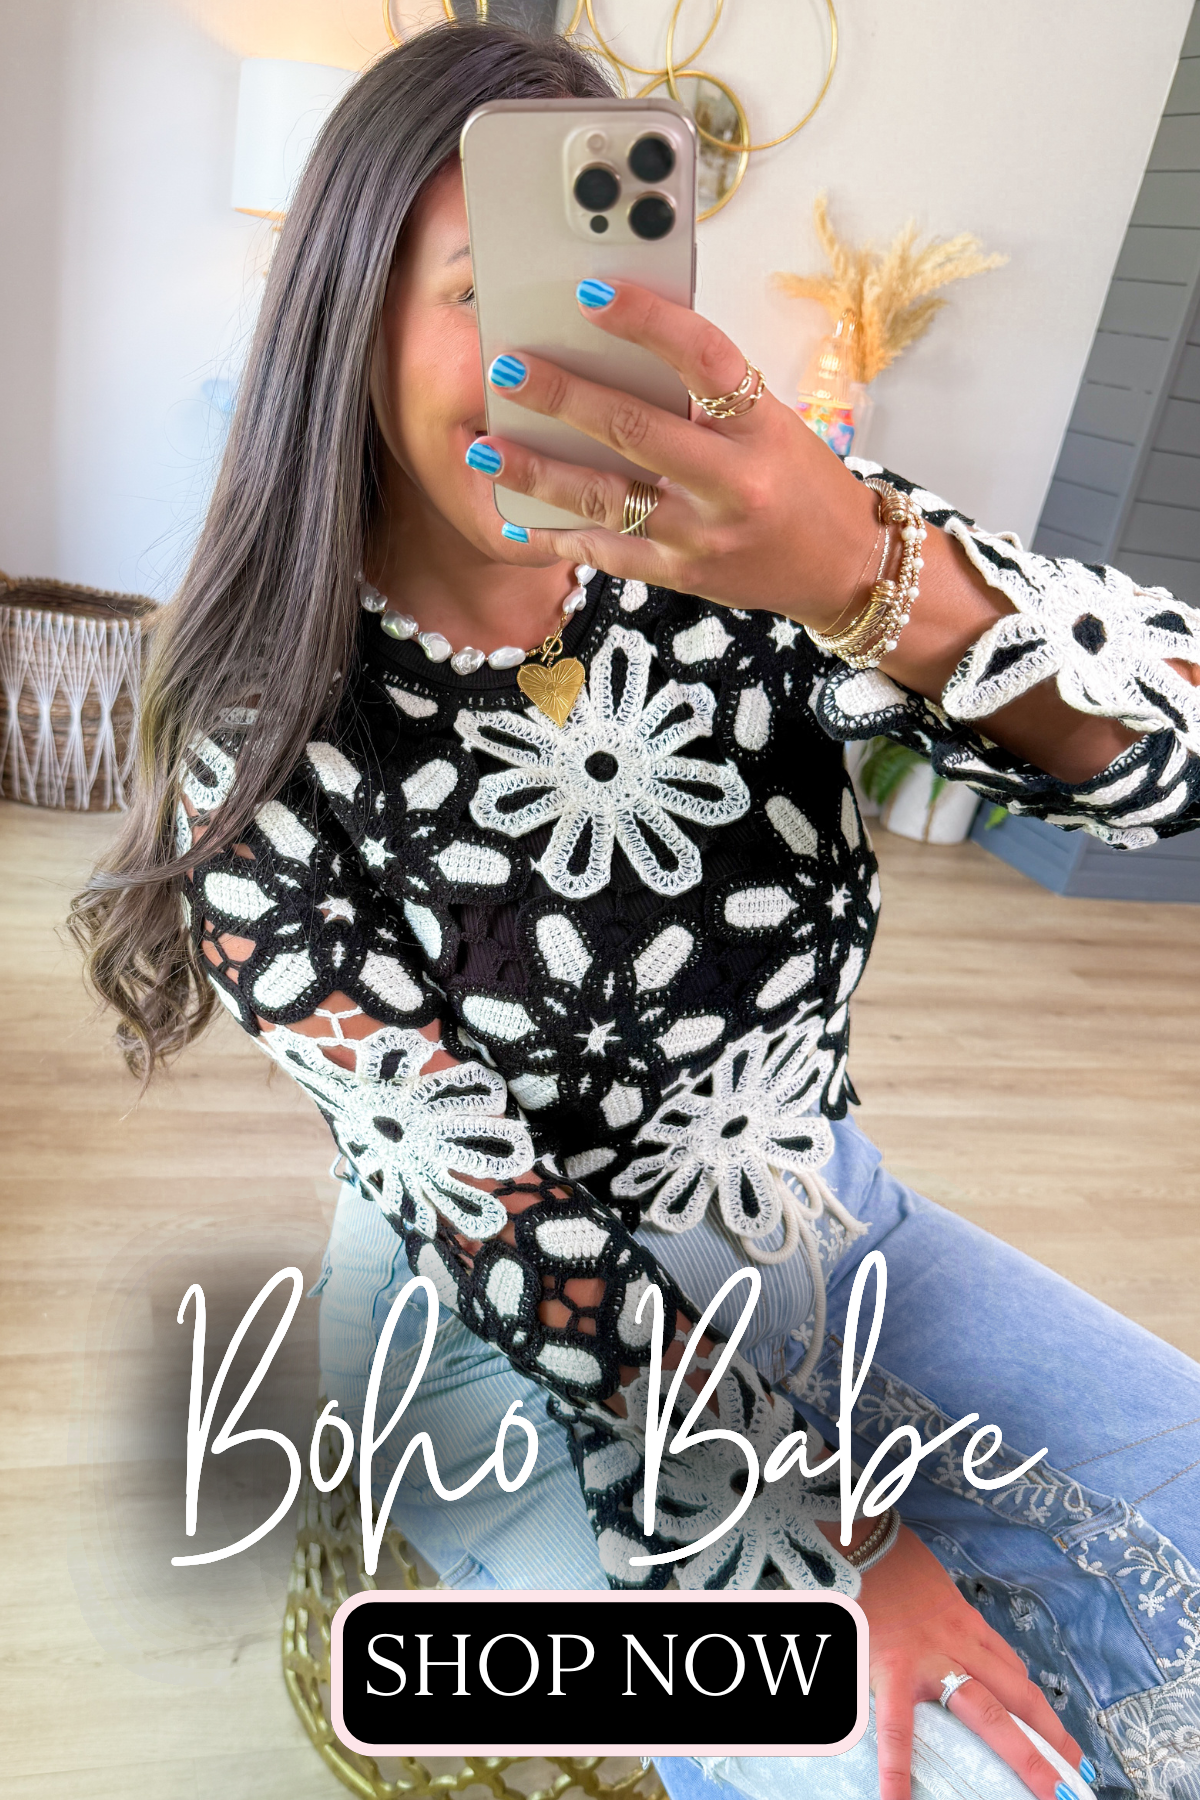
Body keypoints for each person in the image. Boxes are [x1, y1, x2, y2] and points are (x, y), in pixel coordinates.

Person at [70, 23, 1200, 1800]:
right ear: (348, 320)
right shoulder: (258, 734)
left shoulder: (764, 559)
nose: (560, 352)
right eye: (485, 290)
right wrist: (845, 1549)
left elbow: (1175, 764)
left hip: (826, 1227)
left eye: (612, 289)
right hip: (497, 1344)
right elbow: (489, 1212)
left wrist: (865, 571)